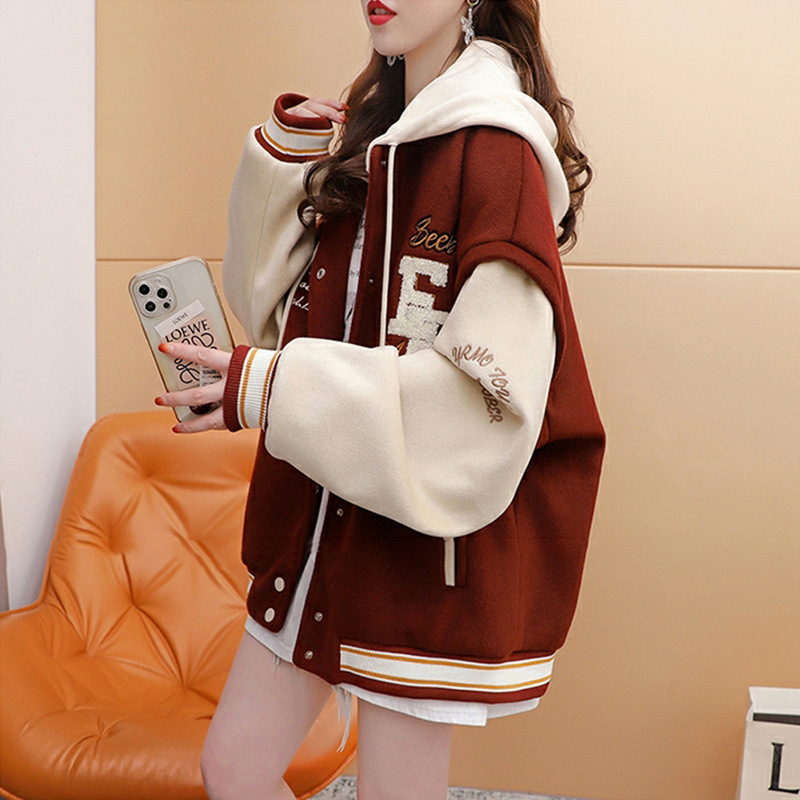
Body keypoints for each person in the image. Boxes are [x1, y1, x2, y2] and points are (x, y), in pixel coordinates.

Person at [154, 1, 605, 798]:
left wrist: (270, 387)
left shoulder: (496, 150)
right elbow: (277, 315)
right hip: (320, 531)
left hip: (419, 552)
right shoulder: (381, 137)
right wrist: (287, 161)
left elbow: (484, 404)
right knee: (233, 769)